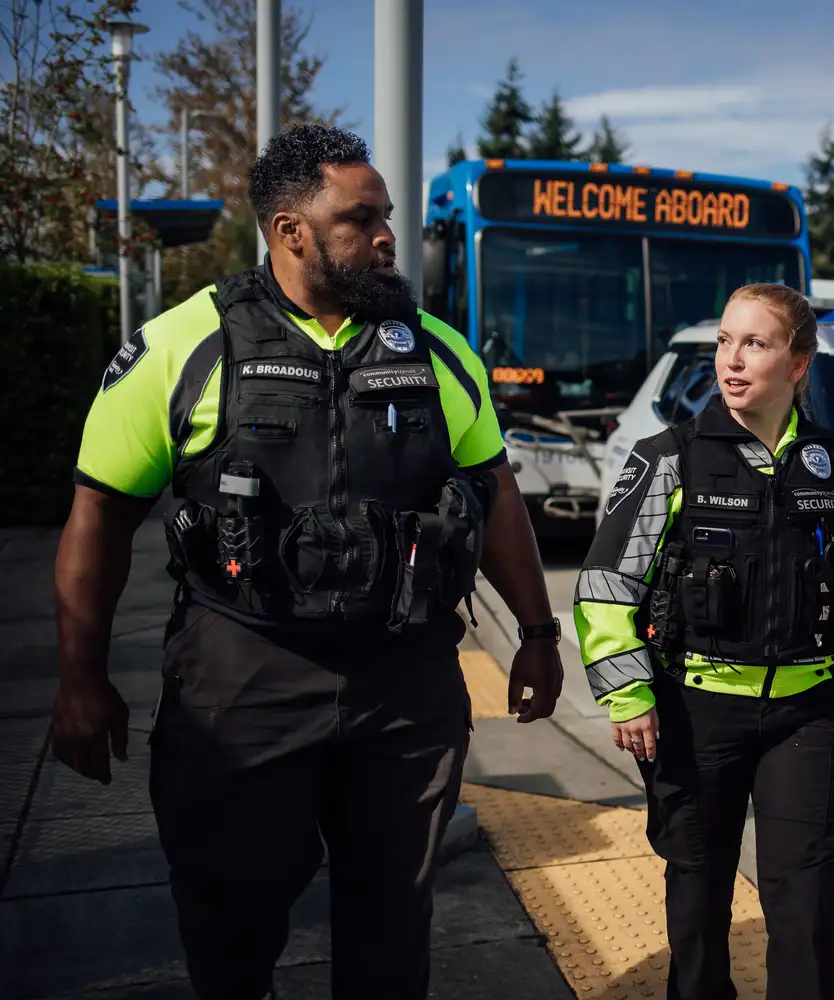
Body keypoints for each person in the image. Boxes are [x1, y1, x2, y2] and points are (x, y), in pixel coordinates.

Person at [50, 124, 565, 1000]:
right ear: (290, 231)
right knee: (231, 915)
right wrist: (79, 677)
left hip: (405, 682)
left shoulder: (436, 350)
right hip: (243, 676)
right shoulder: (183, 346)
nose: (386, 237)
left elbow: (497, 491)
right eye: (359, 219)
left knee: (393, 921)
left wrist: (538, 631)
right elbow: (98, 513)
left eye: (386, 217)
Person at [573, 283, 834, 1000]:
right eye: (724, 341)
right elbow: (604, 584)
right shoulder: (670, 458)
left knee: (805, 901)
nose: (732, 360)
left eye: (756, 343)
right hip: (695, 710)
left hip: (807, 711)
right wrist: (628, 696)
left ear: (798, 363)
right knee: (698, 891)